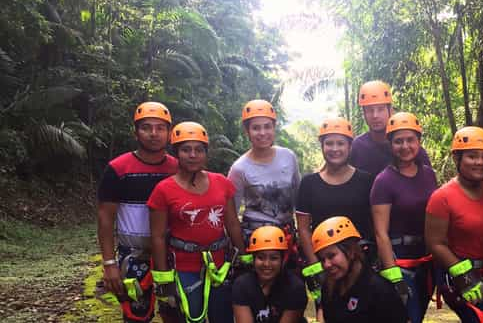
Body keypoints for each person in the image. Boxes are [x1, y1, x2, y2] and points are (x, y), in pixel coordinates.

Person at [148, 122, 247, 323]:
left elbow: (232, 224)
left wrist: (243, 258)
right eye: (186, 150)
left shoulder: (221, 183)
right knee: (192, 317)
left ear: (205, 153)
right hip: (184, 267)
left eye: (199, 150)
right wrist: (163, 278)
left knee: (223, 318)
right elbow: (157, 236)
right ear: (176, 152)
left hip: (220, 266)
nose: (193, 155)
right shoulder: (163, 190)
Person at [96, 101, 180, 322]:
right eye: (146, 127)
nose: (154, 133)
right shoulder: (118, 169)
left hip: (173, 254)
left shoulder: (177, 168)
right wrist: (109, 264)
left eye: (160, 128)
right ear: (136, 132)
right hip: (133, 255)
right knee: (136, 315)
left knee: (177, 312)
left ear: (169, 133)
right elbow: (105, 219)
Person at [295, 117, 375, 321]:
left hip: (360, 263)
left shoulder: (366, 181)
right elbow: (303, 228)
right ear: (322, 146)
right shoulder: (309, 183)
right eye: (329, 143)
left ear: (350, 146)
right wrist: (316, 265)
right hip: (326, 263)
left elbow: (375, 222)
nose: (334, 149)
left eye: (340, 143)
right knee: (327, 313)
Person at [425, 126, 483, 322]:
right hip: (460, 271)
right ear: (457, 159)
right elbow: (435, 243)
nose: (480, 162)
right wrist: (464, 276)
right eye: (472, 156)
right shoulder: (442, 197)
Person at [370, 112, 438, 323]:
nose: (405, 146)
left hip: (425, 260)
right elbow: (380, 232)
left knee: (417, 317)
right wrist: (392, 273)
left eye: (410, 140)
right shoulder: (384, 181)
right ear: (390, 145)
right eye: (398, 141)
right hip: (400, 261)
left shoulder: (428, 174)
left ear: (419, 142)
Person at [228, 100, 301, 254]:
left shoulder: (288, 157)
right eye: (256, 128)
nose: (262, 133)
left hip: (286, 232)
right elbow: (231, 216)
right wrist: (241, 252)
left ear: (274, 128)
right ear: (247, 131)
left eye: (267, 126)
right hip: (255, 236)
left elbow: (299, 198)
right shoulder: (239, 168)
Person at [313, 216, 408, 323]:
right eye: (322, 260)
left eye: (331, 256)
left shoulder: (378, 290)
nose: (326, 265)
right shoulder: (329, 287)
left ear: (351, 250)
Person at [350, 80, 432, 176]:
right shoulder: (357, 147)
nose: (375, 115)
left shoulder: (407, 148)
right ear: (364, 113)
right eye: (369, 110)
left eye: (380, 109)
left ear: (390, 110)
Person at [232, 226, 307, 323]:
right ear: (253, 259)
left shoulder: (295, 287)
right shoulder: (241, 285)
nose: (266, 264)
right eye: (261, 257)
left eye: (273, 258)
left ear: (282, 260)